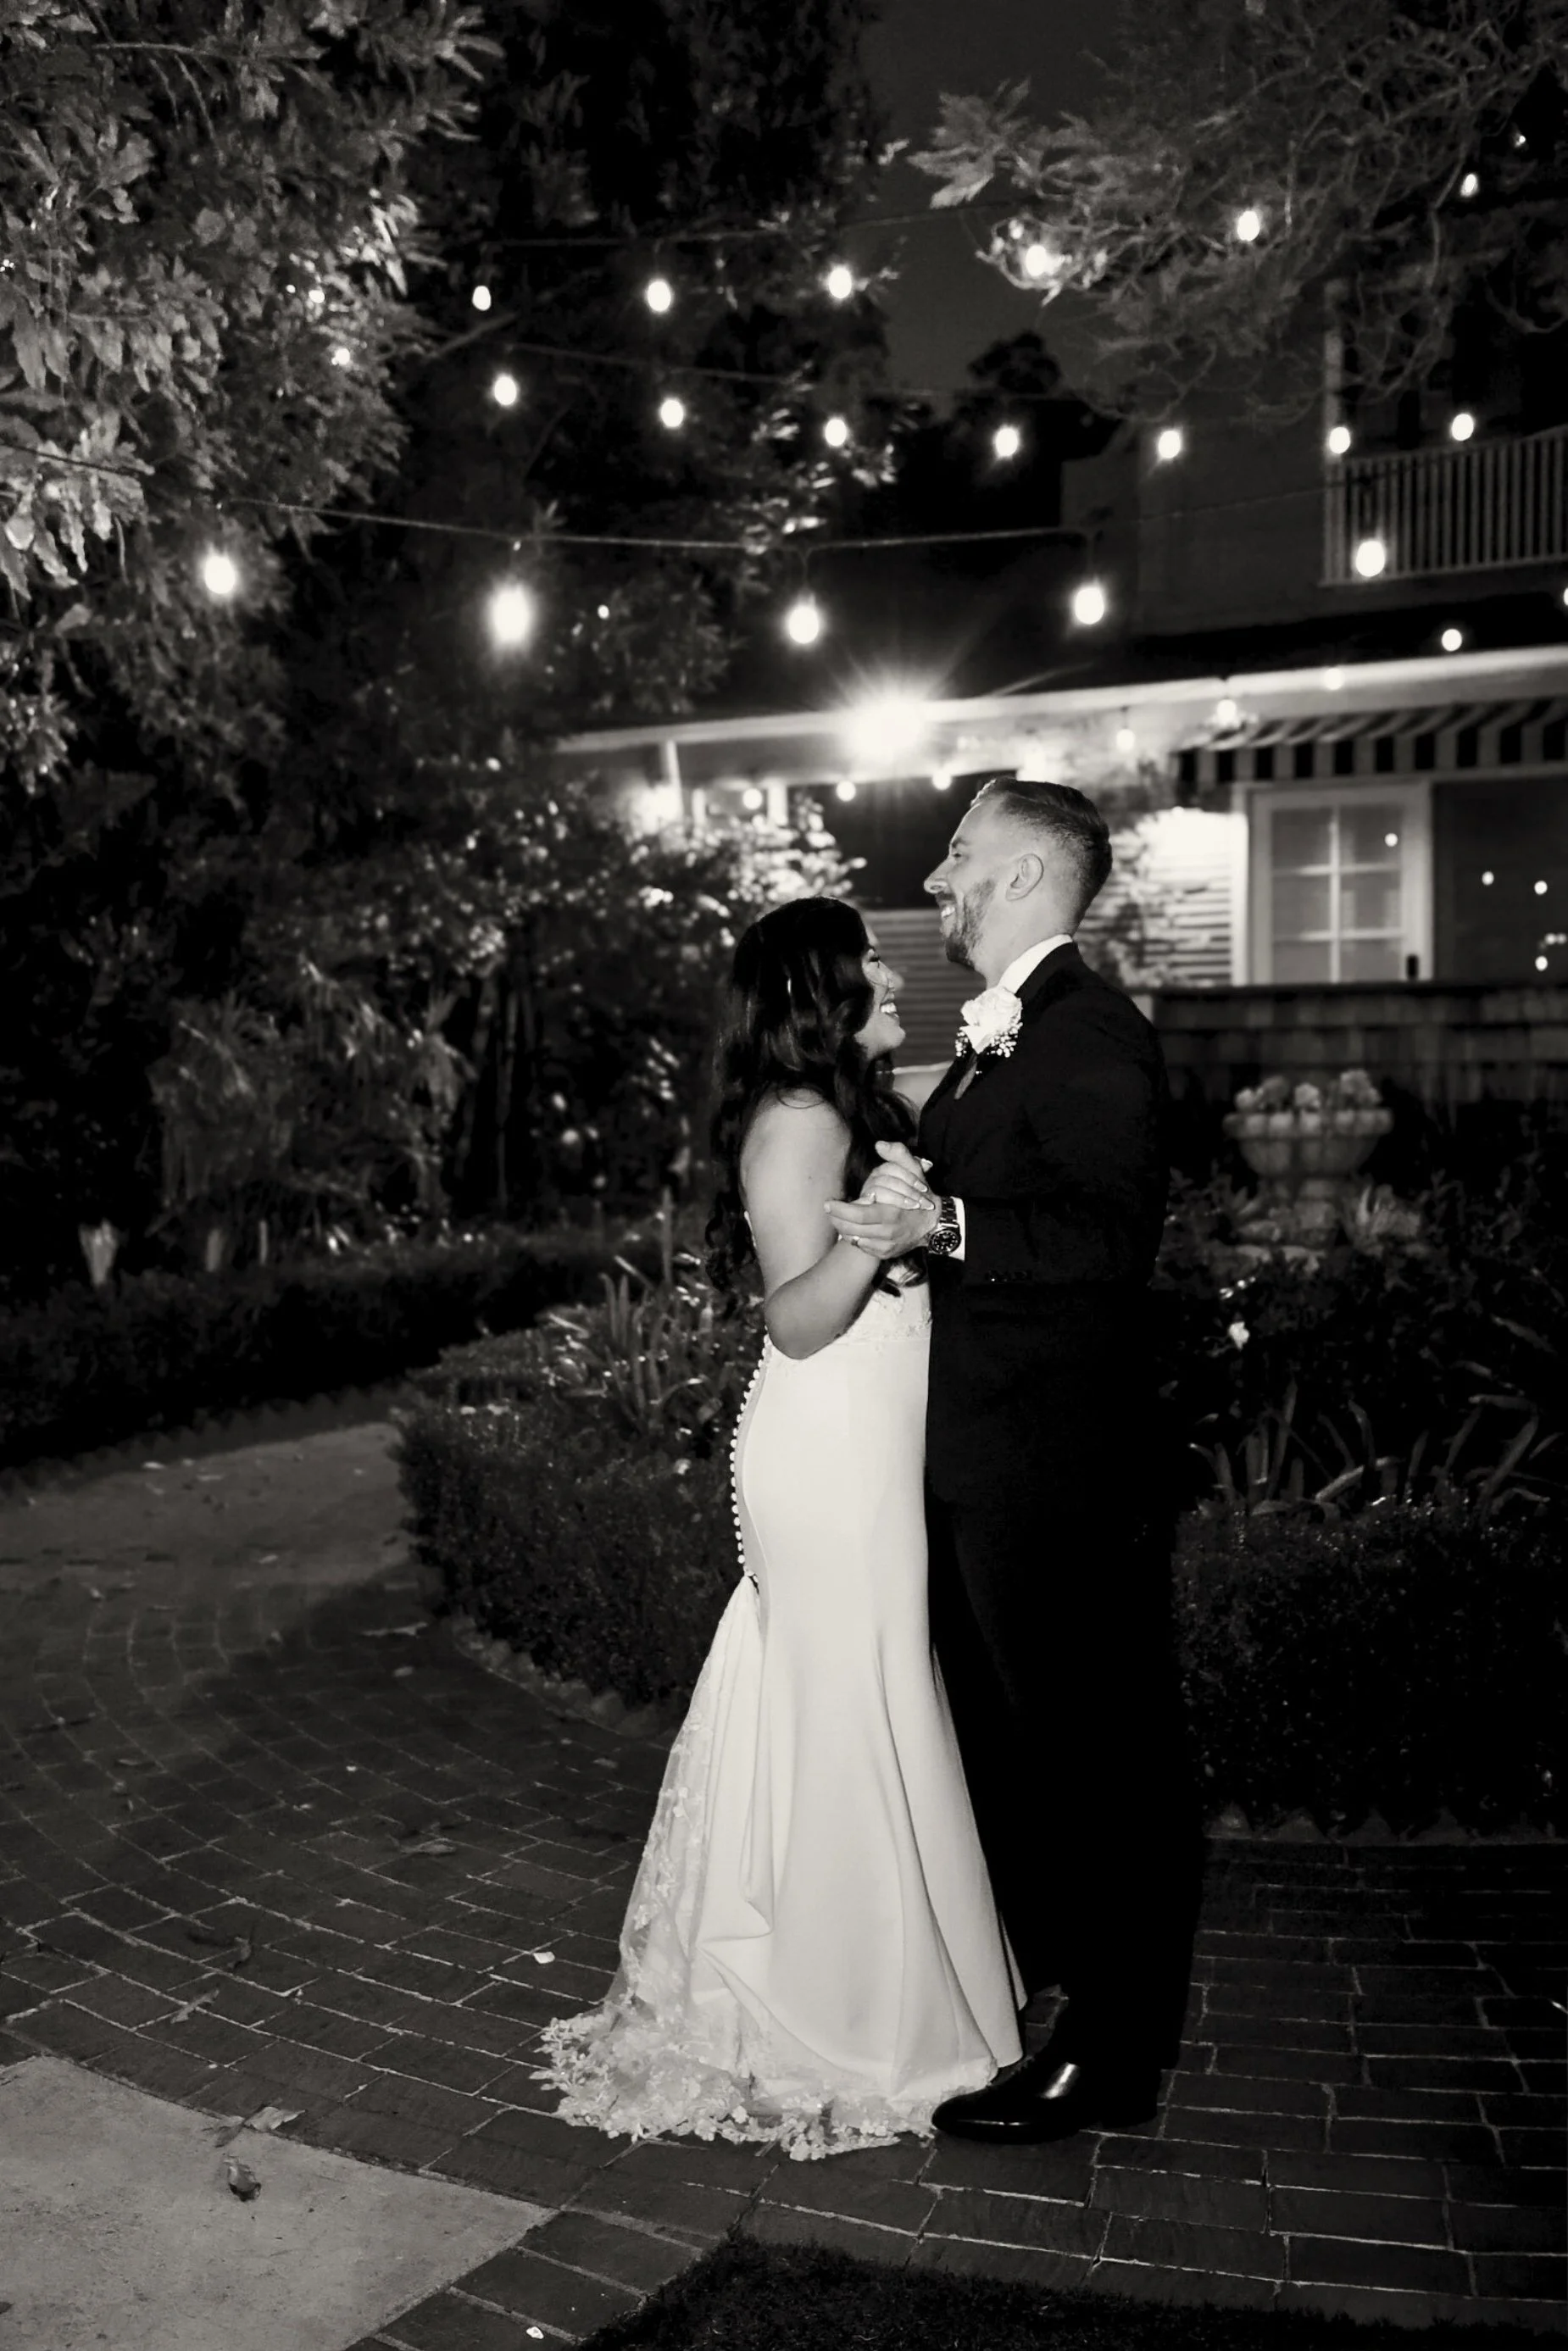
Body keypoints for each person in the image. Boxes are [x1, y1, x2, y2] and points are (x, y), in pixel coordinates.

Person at [534, 895, 1022, 2160]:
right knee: (848, 1698)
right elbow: (796, 1317)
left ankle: (867, 1982)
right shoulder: (798, 1122)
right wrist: (875, 1236)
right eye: (867, 955)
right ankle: (836, 2013)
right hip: (823, 1448)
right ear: (822, 984)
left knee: (867, 1691)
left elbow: (967, 1071)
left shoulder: (848, 1102)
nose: (889, 966)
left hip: (860, 1446)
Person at [826, 776, 1202, 2143]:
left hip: (1059, 1469)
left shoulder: (1092, 1033)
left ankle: (1107, 2055)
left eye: (962, 859)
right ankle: (1050, 1996)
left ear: (1034, 879)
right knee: (1034, 1754)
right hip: (995, 1459)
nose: (938, 884)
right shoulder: (1000, 1043)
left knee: (1101, 1763)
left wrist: (946, 1226)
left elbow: (1104, 1245)